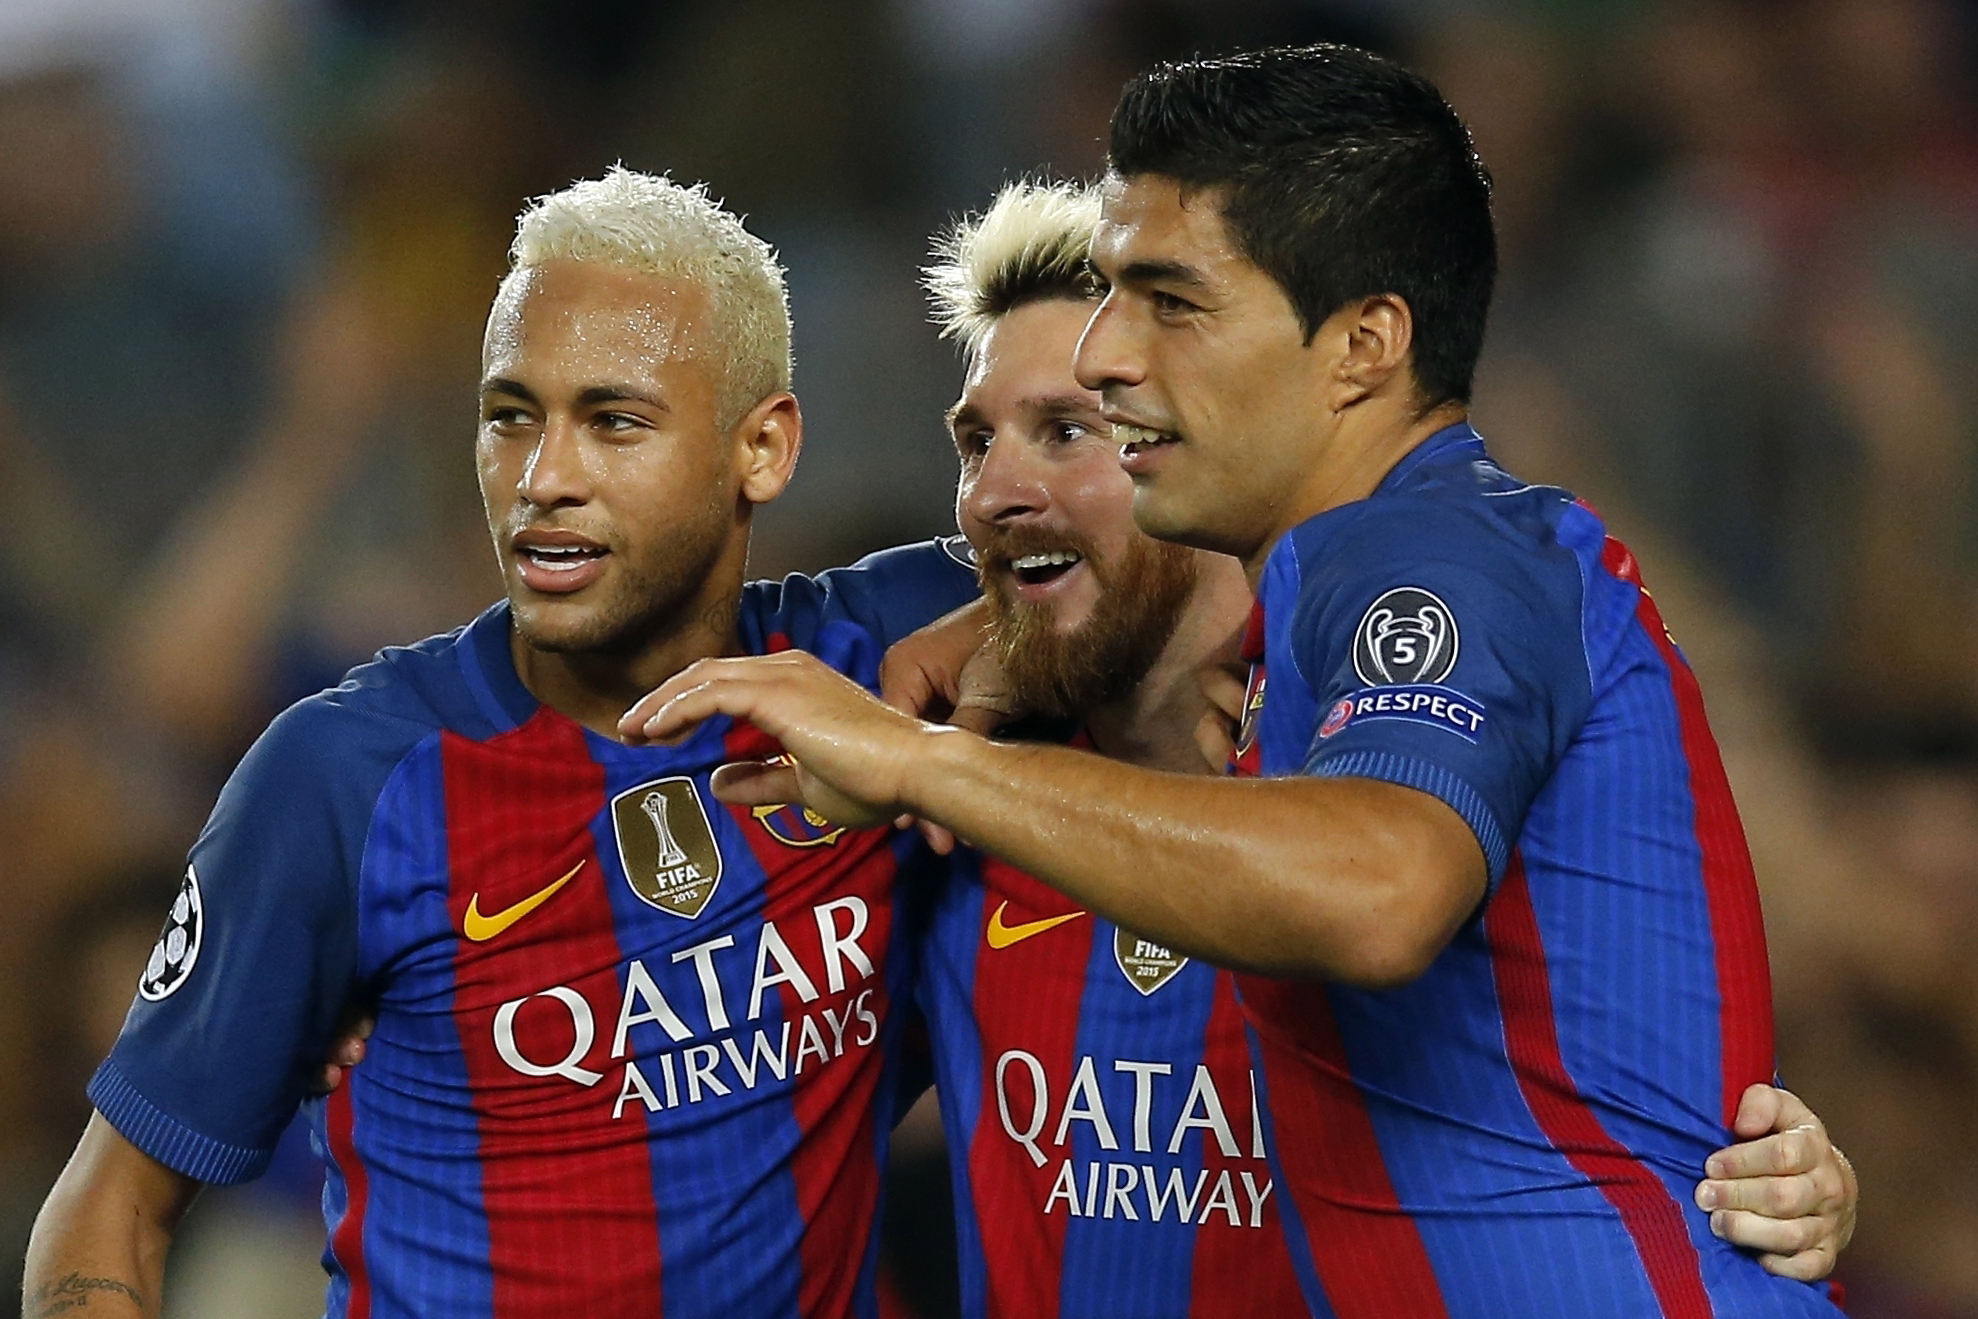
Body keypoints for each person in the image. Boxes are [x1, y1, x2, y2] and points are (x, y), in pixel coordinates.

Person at [625, 48, 1850, 1316]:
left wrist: (931, 761)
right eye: (1110, 296)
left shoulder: (1439, 555)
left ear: (1362, 345)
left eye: (1170, 301)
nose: (1109, 353)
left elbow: (1377, 890)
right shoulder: (1295, 656)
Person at [23, 167, 979, 1319]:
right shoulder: (344, 777)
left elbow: (1156, 554)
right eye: (510, 414)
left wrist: (998, 642)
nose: (543, 478)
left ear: (762, 449)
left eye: (614, 420)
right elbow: (106, 1211)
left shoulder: (879, 659)